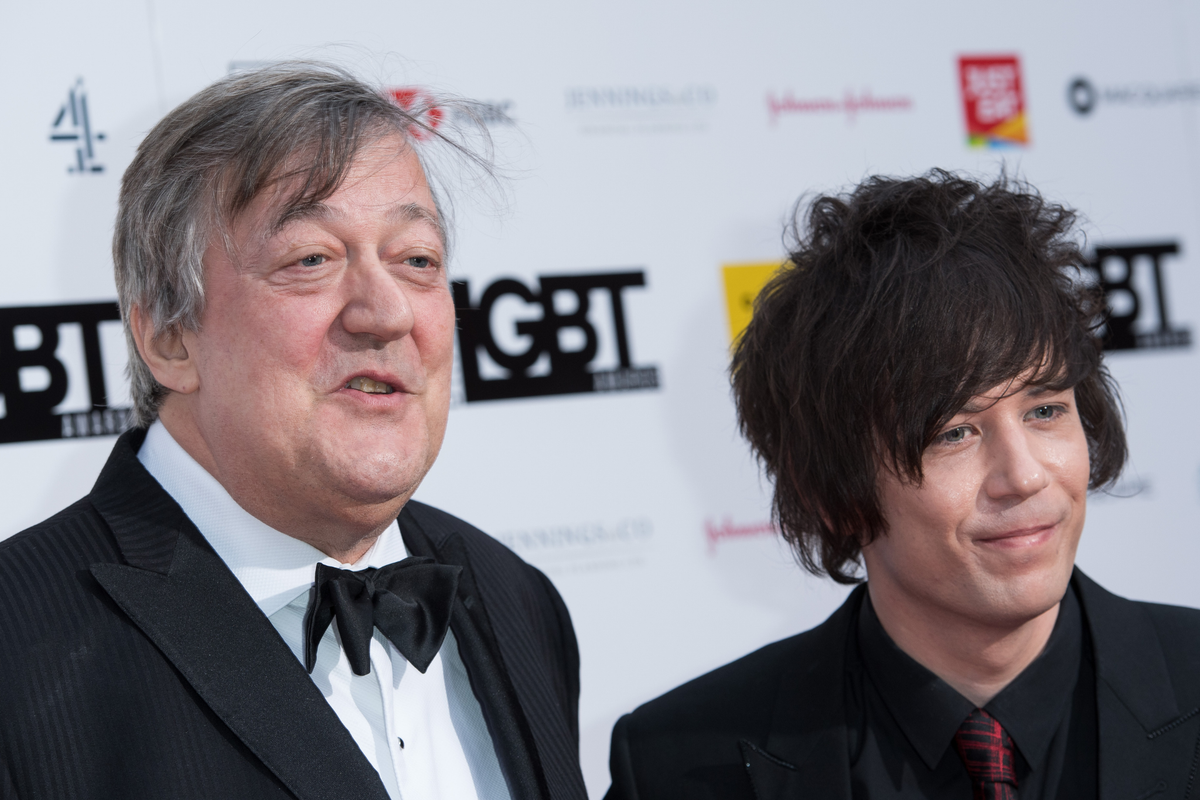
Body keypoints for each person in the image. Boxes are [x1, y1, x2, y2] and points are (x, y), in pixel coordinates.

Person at [0, 63, 586, 800]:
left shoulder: (515, 598)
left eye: (416, 261)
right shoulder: (17, 651)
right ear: (171, 338)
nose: (387, 312)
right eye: (311, 260)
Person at [605, 171, 1200, 798]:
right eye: (953, 433)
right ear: (832, 494)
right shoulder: (678, 764)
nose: (1024, 476)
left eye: (1045, 410)